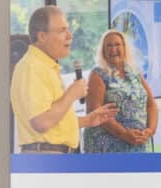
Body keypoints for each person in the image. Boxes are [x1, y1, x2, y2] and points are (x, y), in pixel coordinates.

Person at [9, 6, 117, 154]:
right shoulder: (32, 66)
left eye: (68, 29)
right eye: (62, 30)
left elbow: (53, 123)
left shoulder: (45, 65)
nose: (69, 36)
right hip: (46, 157)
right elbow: (41, 122)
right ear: (42, 37)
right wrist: (71, 94)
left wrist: (88, 120)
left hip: (54, 156)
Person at [83, 30, 158, 154]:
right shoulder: (97, 74)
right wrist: (123, 133)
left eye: (117, 45)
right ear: (103, 51)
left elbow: (151, 104)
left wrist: (150, 131)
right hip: (106, 147)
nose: (113, 49)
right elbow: (95, 111)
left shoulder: (135, 72)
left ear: (124, 47)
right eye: (109, 45)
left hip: (137, 142)